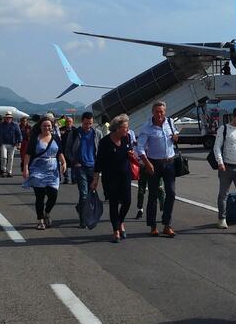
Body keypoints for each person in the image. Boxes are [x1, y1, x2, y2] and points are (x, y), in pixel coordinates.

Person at [136, 101, 180, 237]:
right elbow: (140, 147)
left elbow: (176, 137)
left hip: (170, 163)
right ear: (152, 112)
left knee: (171, 193)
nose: (159, 114)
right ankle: (153, 226)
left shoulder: (170, 122)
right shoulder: (147, 127)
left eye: (161, 111)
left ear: (165, 112)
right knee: (153, 195)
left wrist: (176, 137)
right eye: (157, 112)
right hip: (153, 163)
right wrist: (147, 163)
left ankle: (167, 224)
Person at [91, 113, 135, 243]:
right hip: (110, 177)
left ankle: (120, 222)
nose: (127, 130)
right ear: (117, 128)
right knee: (114, 204)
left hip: (125, 175)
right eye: (125, 127)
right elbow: (99, 162)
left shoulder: (126, 138)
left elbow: (129, 152)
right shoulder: (105, 142)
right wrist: (95, 179)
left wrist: (131, 154)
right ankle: (116, 229)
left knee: (127, 202)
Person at [22, 117, 67, 230]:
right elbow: (28, 154)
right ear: (40, 126)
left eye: (49, 126)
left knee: (53, 195)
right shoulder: (35, 138)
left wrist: (64, 163)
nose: (46, 128)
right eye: (44, 126)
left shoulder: (56, 138)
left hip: (53, 170)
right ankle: (40, 220)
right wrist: (26, 168)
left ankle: (47, 212)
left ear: (52, 127)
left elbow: (60, 152)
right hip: (38, 169)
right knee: (40, 197)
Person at [65, 112, 101, 228]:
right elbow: (68, 150)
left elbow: (99, 150)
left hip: (93, 167)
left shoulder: (97, 133)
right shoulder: (75, 133)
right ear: (82, 121)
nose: (88, 126)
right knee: (84, 193)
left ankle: (81, 208)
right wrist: (74, 162)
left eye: (90, 123)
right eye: (86, 124)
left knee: (91, 192)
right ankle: (83, 219)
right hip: (80, 167)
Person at [0, 111, 23, 177]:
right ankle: (3, 170)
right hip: (3, 143)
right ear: (5, 118)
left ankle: (9, 172)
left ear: (11, 118)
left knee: (11, 158)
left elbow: (19, 134)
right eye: (7, 117)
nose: (8, 119)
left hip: (12, 144)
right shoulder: (1, 125)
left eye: (9, 117)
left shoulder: (15, 125)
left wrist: (19, 142)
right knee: (4, 157)